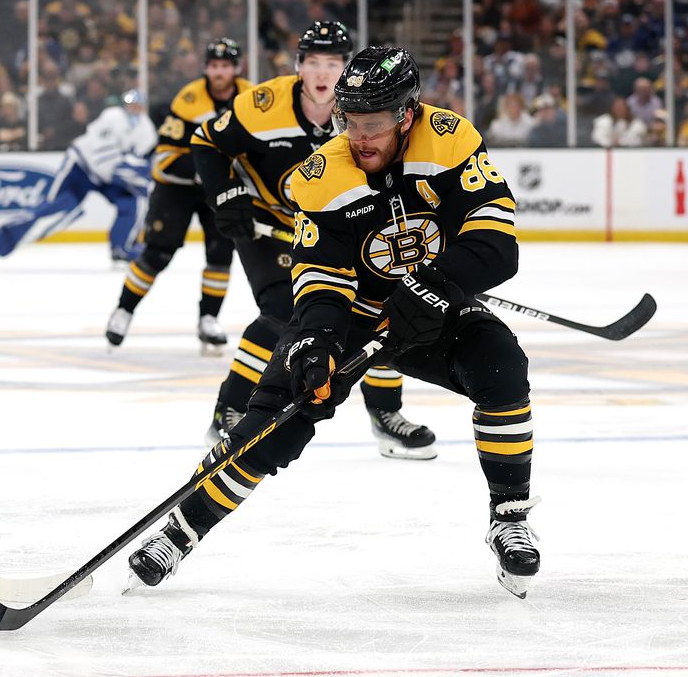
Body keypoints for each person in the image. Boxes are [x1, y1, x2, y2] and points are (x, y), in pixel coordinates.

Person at [126, 47, 539, 600]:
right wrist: (316, 342)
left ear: (407, 114)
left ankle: (509, 517)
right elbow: (320, 279)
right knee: (277, 419)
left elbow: (496, 240)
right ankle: (180, 530)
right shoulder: (322, 176)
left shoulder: (451, 140)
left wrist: (439, 284)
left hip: (435, 308)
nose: (359, 137)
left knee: (502, 367)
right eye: (350, 121)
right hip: (353, 318)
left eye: (373, 124)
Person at [190, 22, 434, 458]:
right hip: (267, 224)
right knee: (284, 310)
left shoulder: (365, 110)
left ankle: (385, 413)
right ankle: (229, 410)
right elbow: (206, 141)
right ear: (298, 66)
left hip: (330, 228)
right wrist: (226, 195)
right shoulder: (264, 105)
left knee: (380, 304)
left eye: (333, 63)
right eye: (314, 62)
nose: (323, 73)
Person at [105, 38, 253, 355]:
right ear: (206, 68)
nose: (220, 72)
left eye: (226, 66)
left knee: (221, 254)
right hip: (177, 188)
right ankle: (124, 310)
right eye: (214, 66)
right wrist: (207, 170)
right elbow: (164, 159)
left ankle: (209, 319)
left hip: (220, 187)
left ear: (237, 68)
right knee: (158, 253)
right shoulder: (189, 100)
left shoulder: (252, 98)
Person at [0, 89, 156, 261]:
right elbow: (101, 154)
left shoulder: (147, 129)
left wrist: (134, 173)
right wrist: (129, 169)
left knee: (130, 203)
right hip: (81, 167)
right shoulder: (112, 116)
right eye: (131, 103)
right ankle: (5, 237)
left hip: (108, 177)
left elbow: (143, 160)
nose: (135, 107)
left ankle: (121, 248)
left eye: (139, 104)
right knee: (58, 205)